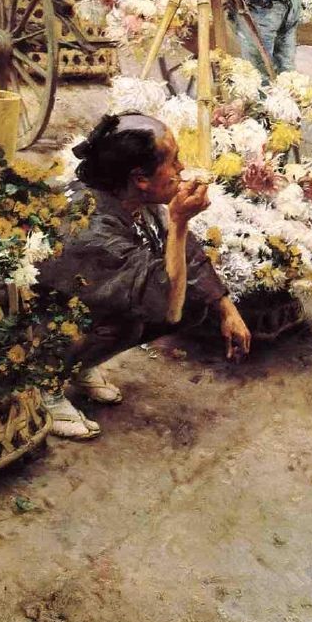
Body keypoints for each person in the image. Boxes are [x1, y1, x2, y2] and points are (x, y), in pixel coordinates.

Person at [37, 113, 251, 440]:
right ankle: (46, 382)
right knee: (135, 320)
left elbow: (183, 254)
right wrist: (180, 222)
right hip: (36, 324)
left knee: (196, 302)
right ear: (140, 178)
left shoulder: (131, 197)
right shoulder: (92, 228)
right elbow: (166, 306)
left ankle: (78, 364)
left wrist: (226, 307)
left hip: (82, 304)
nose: (181, 168)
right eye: (174, 161)